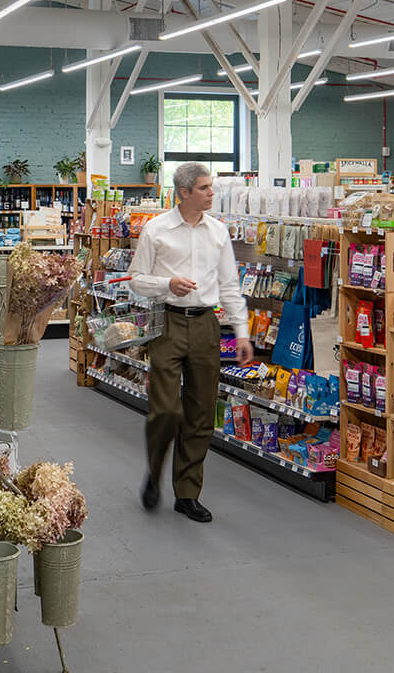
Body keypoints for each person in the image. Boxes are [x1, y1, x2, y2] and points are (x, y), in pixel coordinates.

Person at [128, 163, 253, 522]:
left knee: (200, 414)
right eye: (204, 188)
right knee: (166, 410)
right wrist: (166, 284)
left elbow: (229, 285)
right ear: (184, 193)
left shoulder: (218, 232)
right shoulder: (156, 229)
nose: (212, 193)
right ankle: (154, 472)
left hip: (205, 326)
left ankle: (187, 493)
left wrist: (241, 332)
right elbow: (135, 279)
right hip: (167, 323)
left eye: (211, 187)